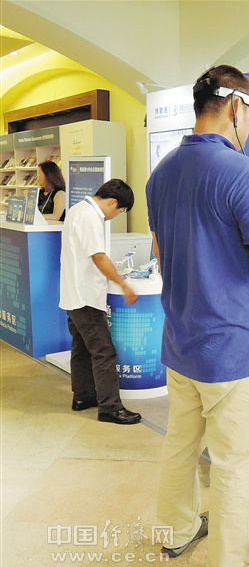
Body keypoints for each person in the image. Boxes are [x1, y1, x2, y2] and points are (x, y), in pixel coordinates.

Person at [146, 65, 249, 567]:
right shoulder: (239, 172)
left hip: (181, 342)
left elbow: (162, 253)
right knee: (236, 465)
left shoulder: (162, 173)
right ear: (237, 106)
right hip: (231, 350)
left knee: (180, 446)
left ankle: (176, 530)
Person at [59, 179, 142, 425]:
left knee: (82, 348)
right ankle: (110, 408)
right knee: (104, 352)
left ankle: (83, 397)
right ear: (113, 202)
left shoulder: (77, 209)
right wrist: (123, 284)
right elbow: (99, 256)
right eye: (120, 211)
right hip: (85, 297)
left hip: (73, 293)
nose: (115, 216)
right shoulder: (90, 216)